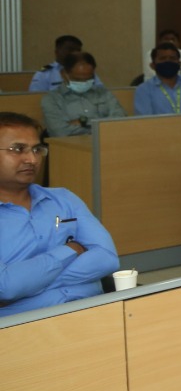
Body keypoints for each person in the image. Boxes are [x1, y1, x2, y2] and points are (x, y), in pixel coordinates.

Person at [0, 112, 120, 317]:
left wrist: (30, 286)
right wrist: (69, 251)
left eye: (37, 149)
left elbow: (107, 258)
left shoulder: (64, 198)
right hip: (25, 325)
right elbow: (7, 286)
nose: (32, 159)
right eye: (18, 149)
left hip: (94, 311)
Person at [41, 52, 125, 138]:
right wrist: (101, 126)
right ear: (64, 74)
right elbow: (60, 132)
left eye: (89, 79)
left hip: (106, 141)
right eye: (78, 79)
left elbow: (120, 120)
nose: (84, 82)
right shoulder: (52, 99)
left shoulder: (104, 93)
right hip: (70, 145)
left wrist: (83, 122)